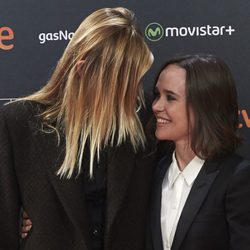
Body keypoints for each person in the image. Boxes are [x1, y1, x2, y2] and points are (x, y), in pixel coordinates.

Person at [0, 7, 158, 250]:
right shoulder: (18, 122)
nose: (133, 93)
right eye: (122, 82)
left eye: (136, 79)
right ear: (83, 71)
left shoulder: (146, 117)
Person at [146, 54, 250, 250]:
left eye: (170, 98)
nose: (156, 106)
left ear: (205, 106)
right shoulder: (156, 172)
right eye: (157, 95)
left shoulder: (237, 177)